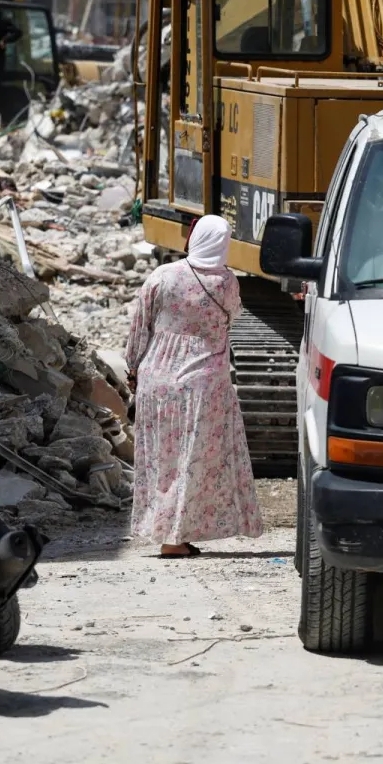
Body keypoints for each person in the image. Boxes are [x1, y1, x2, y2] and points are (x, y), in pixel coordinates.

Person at [124, 215, 262, 558]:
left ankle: (166, 532)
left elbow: (139, 327)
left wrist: (132, 368)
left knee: (162, 460)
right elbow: (232, 318)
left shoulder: (162, 276)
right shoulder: (226, 283)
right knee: (193, 462)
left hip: (157, 382)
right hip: (204, 386)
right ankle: (176, 537)